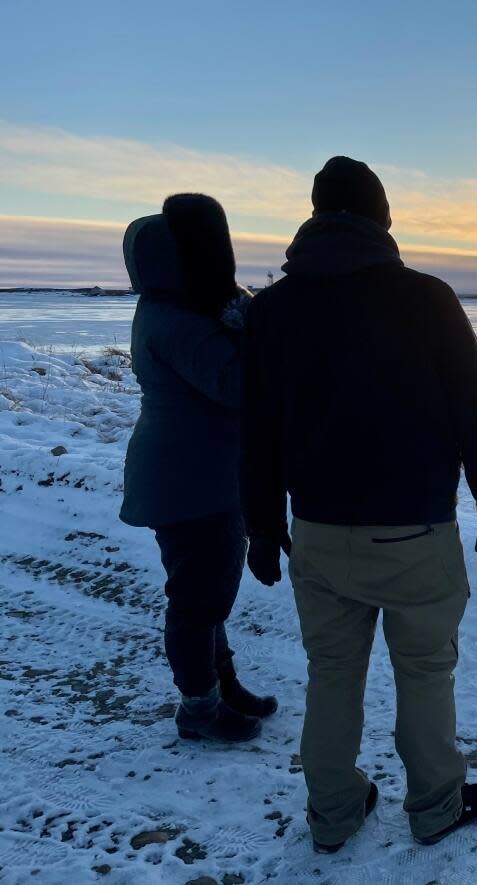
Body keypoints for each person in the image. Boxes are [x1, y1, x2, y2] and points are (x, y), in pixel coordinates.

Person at [241, 156, 477, 853]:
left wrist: (262, 527)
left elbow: (256, 431)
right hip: (416, 533)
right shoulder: (428, 299)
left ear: (313, 217)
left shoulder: (270, 311)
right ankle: (435, 804)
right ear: (382, 219)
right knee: (424, 671)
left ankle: (333, 812)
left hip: (320, 533)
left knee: (331, 672)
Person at [121, 194, 277, 744]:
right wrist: (255, 327)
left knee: (208, 592)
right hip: (187, 480)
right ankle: (199, 709)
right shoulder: (178, 323)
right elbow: (240, 385)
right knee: (198, 598)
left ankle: (222, 685)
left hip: (194, 473)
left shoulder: (175, 311)